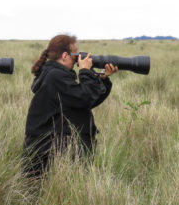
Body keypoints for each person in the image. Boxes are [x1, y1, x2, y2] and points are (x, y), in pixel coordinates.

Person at [23, 34, 118, 177]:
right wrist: (85, 72)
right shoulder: (55, 76)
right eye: (75, 55)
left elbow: (86, 102)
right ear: (65, 55)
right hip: (48, 154)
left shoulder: (55, 75)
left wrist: (102, 79)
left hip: (49, 151)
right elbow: (84, 98)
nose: (77, 59)